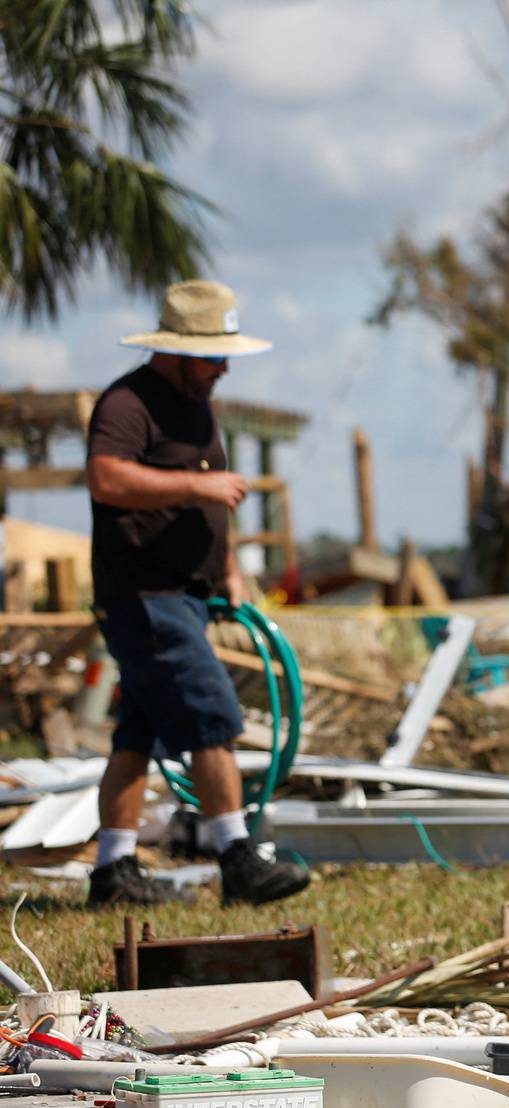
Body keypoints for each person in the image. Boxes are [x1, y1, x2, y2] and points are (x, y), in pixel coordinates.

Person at [84, 279, 311, 907]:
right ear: (177, 350)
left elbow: (210, 499)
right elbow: (106, 477)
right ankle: (237, 856)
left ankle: (113, 872)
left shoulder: (197, 408)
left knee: (138, 734)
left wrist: (229, 569)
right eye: (214, 356)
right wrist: (193, 487)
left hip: (184, 593)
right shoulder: (128, 404)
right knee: (211, 715)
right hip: (144, 593)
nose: (224, 368)